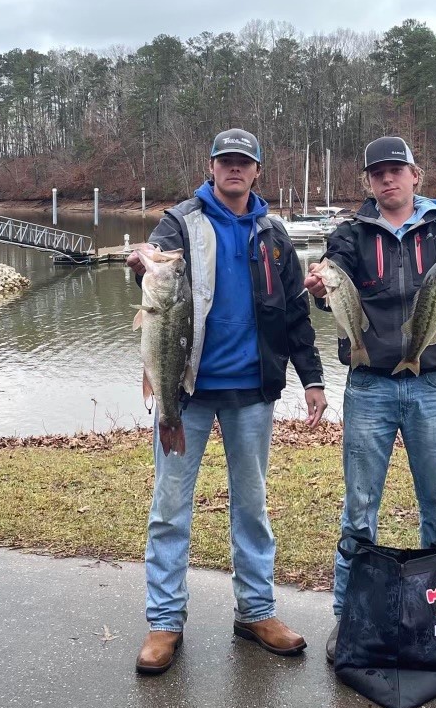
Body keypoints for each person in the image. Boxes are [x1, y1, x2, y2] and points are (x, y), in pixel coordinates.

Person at [128, 128, 327, 675]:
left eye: (244, 162)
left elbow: (294, 313)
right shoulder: (180, 222)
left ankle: (256, 612)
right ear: (211, 167)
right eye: (225, 162)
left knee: (252, 507)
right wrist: (141, 265)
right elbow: (152, 277)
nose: (234, 170)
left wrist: (312, 378)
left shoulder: (274, 233)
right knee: (169, 508)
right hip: (184, 390)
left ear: (257, 170)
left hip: (251, 392)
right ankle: (165, 621)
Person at [304, 135, 436, 662]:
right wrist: (318, 286)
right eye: (377, 173)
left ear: (415, 175)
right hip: (369, 386)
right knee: (359, 509)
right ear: (369, 182)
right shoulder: (349, 236)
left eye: (396, 170)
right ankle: (348, 618)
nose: (387, 179)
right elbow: (329, 289)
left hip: (432, 387)